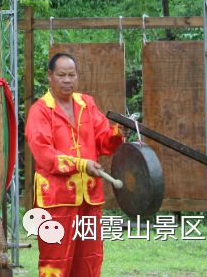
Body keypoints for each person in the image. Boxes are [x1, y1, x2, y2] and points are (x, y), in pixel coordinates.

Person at [25, 53, 124, 277]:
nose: (67, 80)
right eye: (62, 75)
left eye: (72, 75)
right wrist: (81, 165)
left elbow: (105, 141)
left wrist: (118, 132)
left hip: (89, 196)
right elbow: (45, 155)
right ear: (50, 76)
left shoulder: (86, 104)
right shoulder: (39, 111)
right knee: (56, 259)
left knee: (90, 258)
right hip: (56, 200)